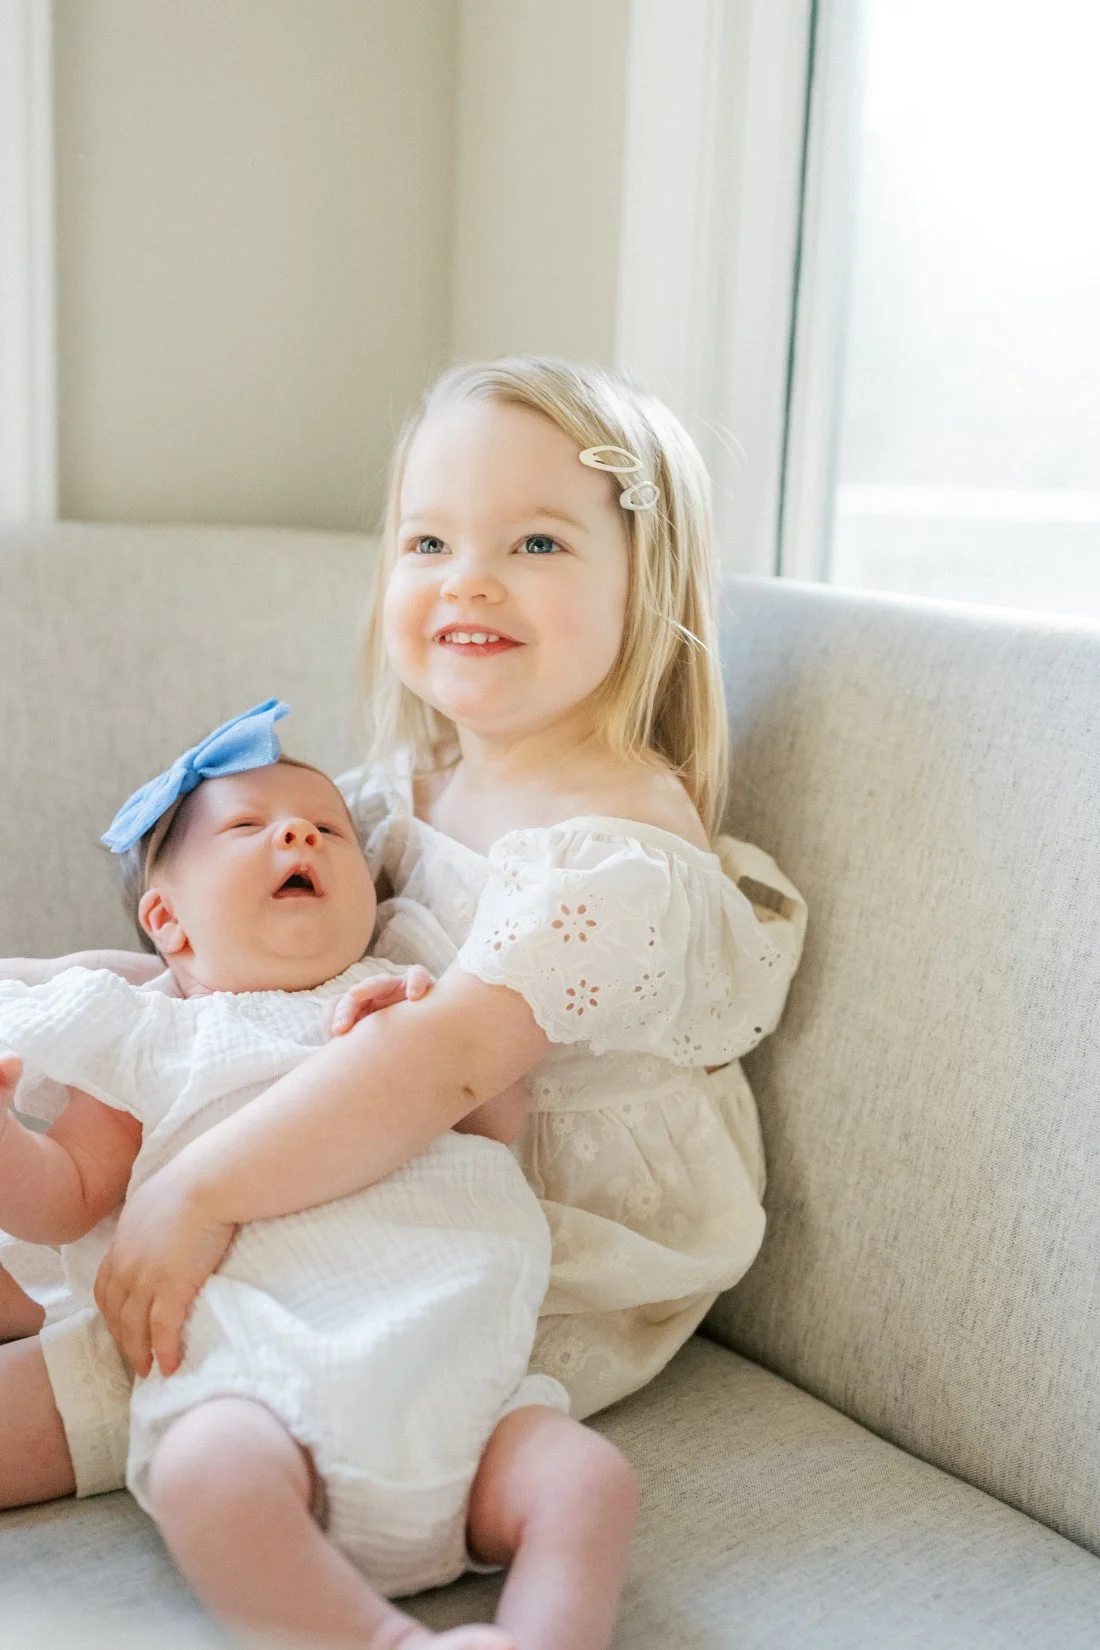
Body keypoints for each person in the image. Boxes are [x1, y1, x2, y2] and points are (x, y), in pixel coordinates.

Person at [3, 354, 807, 1646]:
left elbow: (436, 1064)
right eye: (429, 538)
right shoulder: (400, 790)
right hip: (333, 1159)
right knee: (73, 1226)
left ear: (642, 580)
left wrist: (192, 1192)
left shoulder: (619, 843)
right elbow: (222, 982)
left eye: (535, 539)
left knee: (135, 1320)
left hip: (492, 1237)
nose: (468, 578)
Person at [0, 708, 635, 1650]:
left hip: (454, 1383)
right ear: (167, 921)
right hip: (251, 1383)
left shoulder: (407, 1006)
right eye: (246, 829)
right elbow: (65, 1203)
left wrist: (416, 1023)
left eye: (326, 829)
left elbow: (496, 1134)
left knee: (588, 1482)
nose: (296, 834)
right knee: (204, 1474)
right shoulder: (146, 1033)